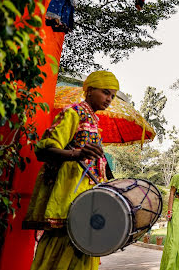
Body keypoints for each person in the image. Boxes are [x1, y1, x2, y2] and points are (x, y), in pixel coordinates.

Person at [24, 70, 119, 270]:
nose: (109, 99)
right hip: (67, 197)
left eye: (112, 95)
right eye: (106, 92)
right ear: (90, 90)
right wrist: (76, 154)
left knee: (84, 248)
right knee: (60, 250)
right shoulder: (73, 113)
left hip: (87, 198)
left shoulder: (94, 121)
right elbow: (44, 149)